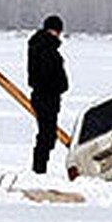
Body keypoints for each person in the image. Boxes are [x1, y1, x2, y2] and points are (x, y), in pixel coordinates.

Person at [26, 14, 69, 173]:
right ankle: (39, 169)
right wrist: (59, 85)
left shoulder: (41, 46)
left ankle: (39, 167)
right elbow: (47, 74)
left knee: (47, 133)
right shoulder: (46, 48)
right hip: (47, 96)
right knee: (47, 135)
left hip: (44, 95)